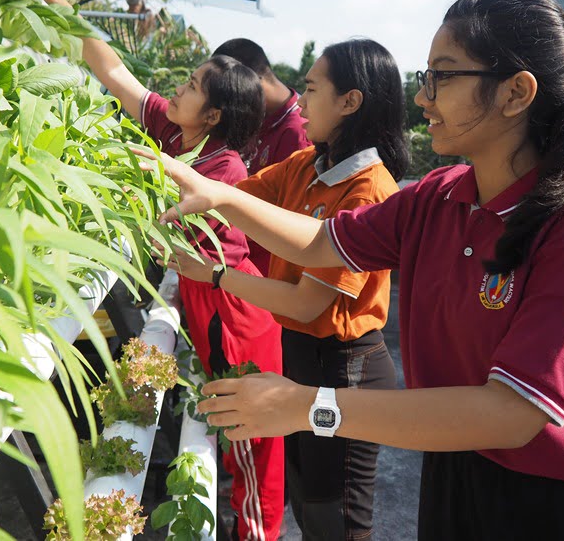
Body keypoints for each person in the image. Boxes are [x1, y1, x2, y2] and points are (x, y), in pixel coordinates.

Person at [146, 0, 564, 540]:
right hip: (456, 460)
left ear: (516, 93)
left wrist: (310, 406)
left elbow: (513, 413)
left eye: (441, 76)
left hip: (554, 496)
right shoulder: (441, 194)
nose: (422, 98)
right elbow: (323, 244)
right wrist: (221, 196)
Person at [38, 0, 285, 541]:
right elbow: (113, 72)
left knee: (250, 459)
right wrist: (55, 4)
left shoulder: (224, 172)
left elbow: (169, 239)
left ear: (215, 115)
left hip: (234, 318)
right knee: (227, 445)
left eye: (193, 85)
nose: (178, 88)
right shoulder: (175, 129)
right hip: (207, 303)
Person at [163, 39, 409, 540]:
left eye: (313, 88)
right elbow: (230, 198)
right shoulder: (305, 167)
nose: (299, 100)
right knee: (307, 505)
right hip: (301, 354)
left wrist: (212, 274)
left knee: (334, 518)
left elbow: (307, 301)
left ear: (350, 102)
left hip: (345, 367)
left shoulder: (369, 189)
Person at [213, 38, 310, 275]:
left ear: (254, 81)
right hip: (238, 260)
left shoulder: (298, 133)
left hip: (264, 273)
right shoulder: (259, 116)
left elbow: (289, 224)